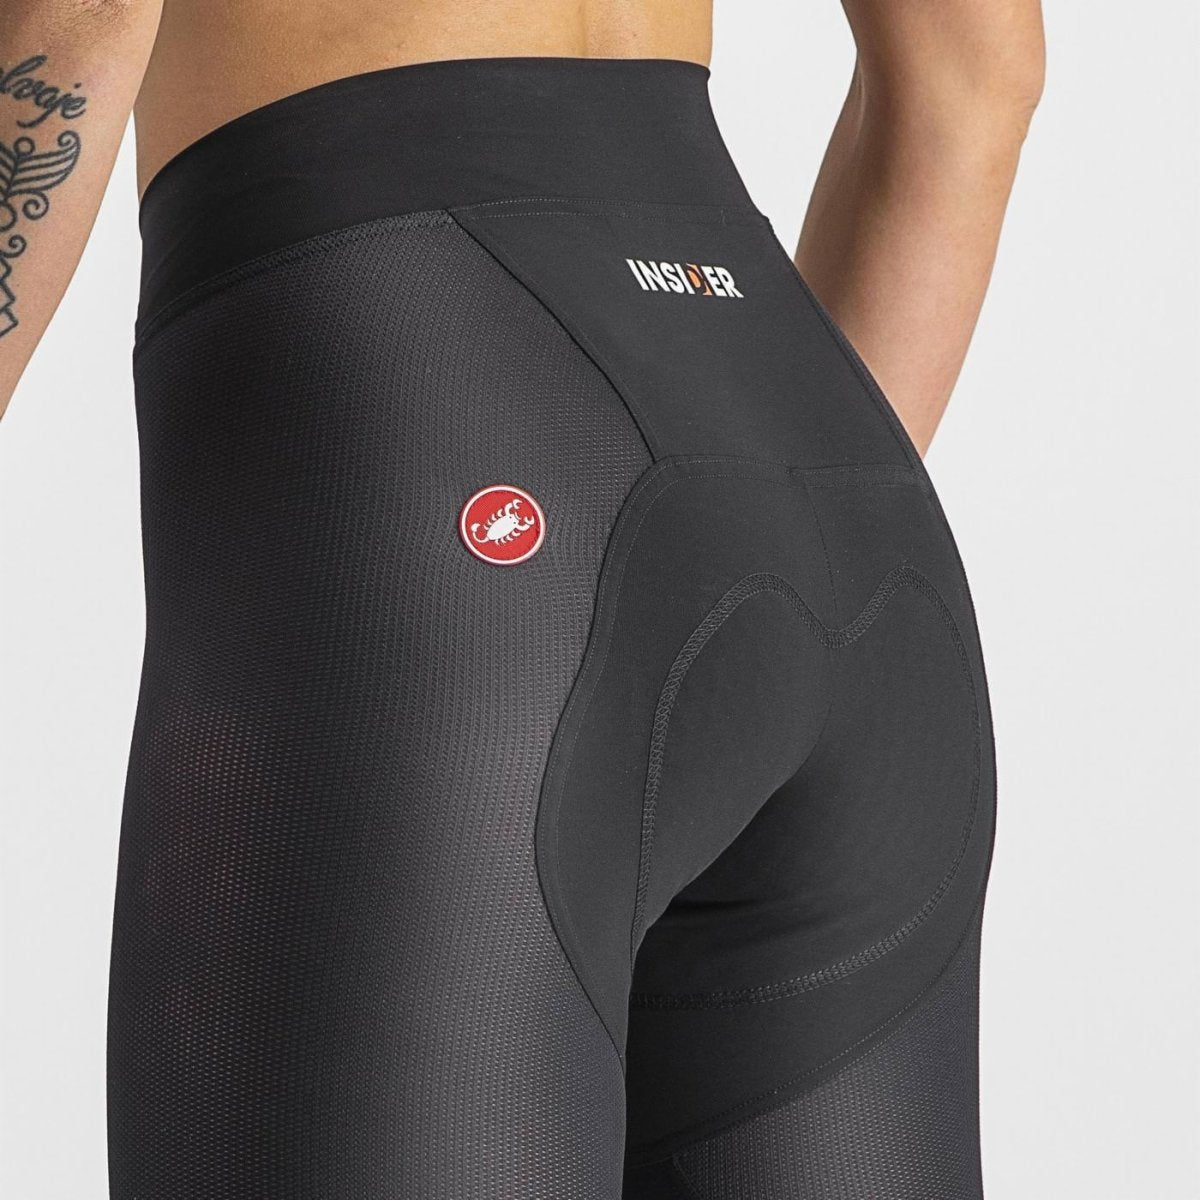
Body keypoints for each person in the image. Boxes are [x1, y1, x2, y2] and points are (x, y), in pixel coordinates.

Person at [0, 2, 1044, 1196]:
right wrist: (736, 536)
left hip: (433, 413)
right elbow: (980, 75)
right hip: (835, 501)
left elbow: (82, 14)